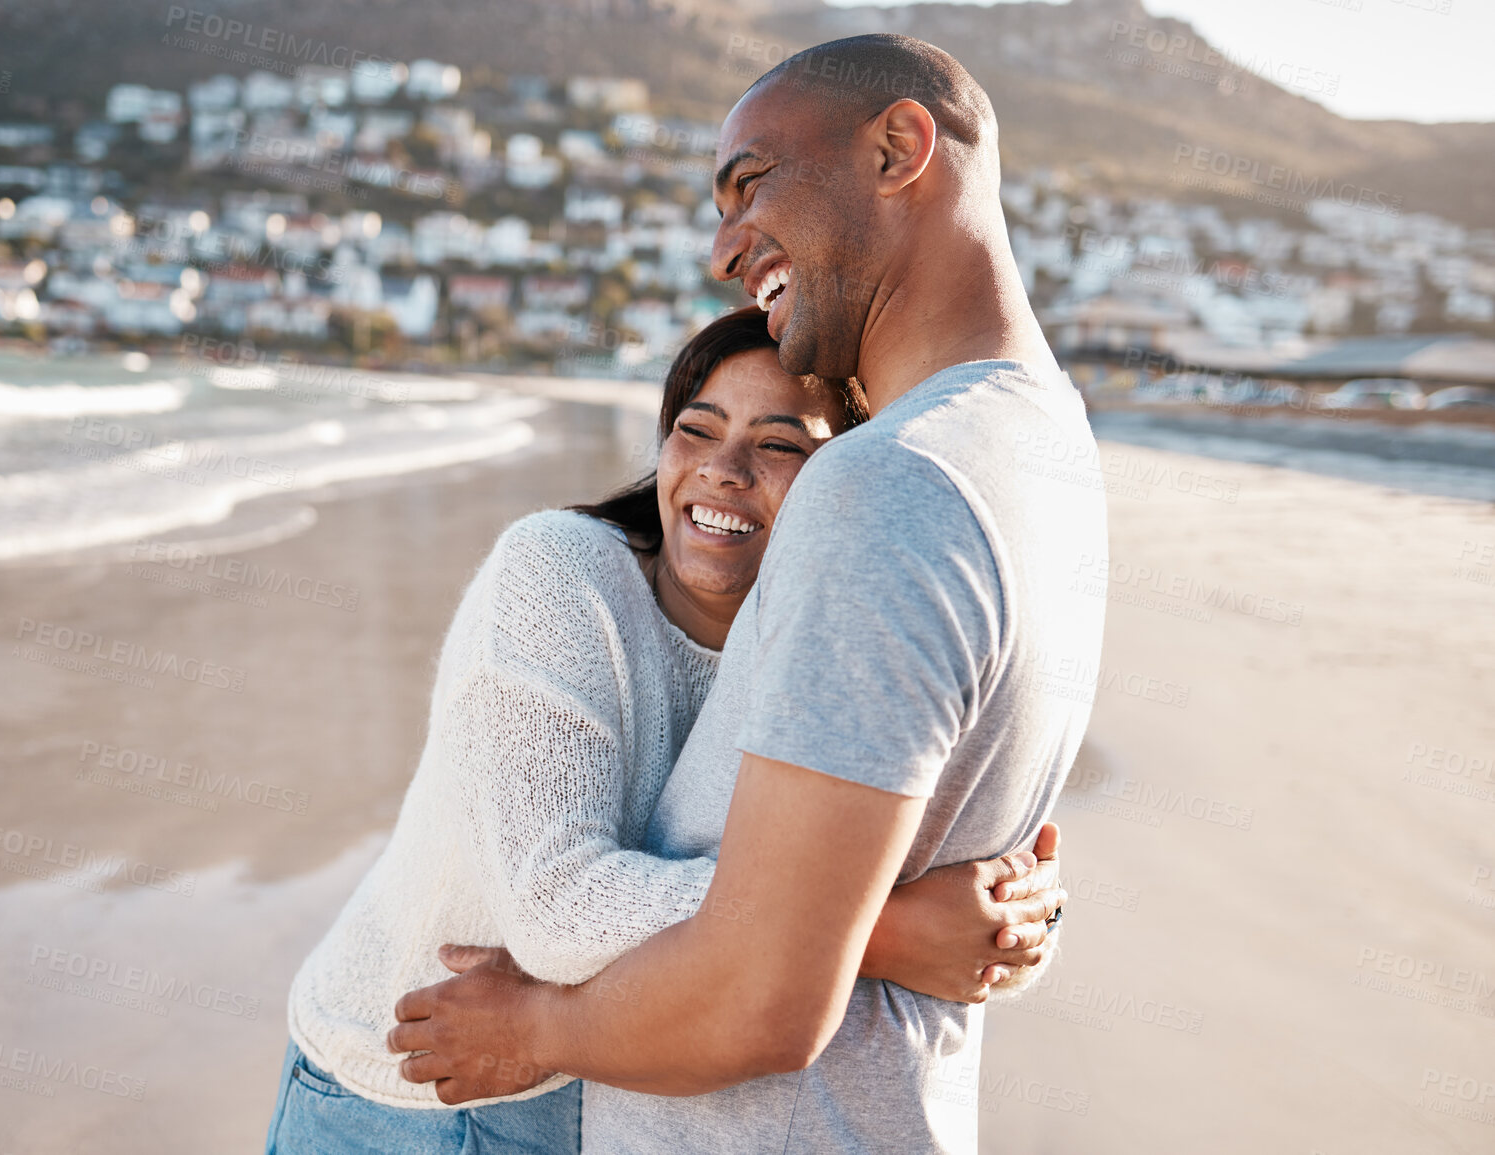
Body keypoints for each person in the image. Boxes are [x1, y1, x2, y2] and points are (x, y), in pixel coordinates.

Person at [388, 33, 1109, 1154]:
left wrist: (533, 1027)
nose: (726, 247)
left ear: (899, 147)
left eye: (749, 184)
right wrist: (898, 926)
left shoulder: (892, 484)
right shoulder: (1043, 446)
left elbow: (759, 1000)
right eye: (698, 432)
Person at [266, 307, 1068, 1154]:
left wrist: (1017, 931)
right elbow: (556, 907)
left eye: (779, 444)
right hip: (413, 1085)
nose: (722, 470)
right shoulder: (556, 573)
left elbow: (967, 887)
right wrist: (887, 930)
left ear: (845, 484)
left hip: (607, 1082)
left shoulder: (833, 644)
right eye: (697, 430)